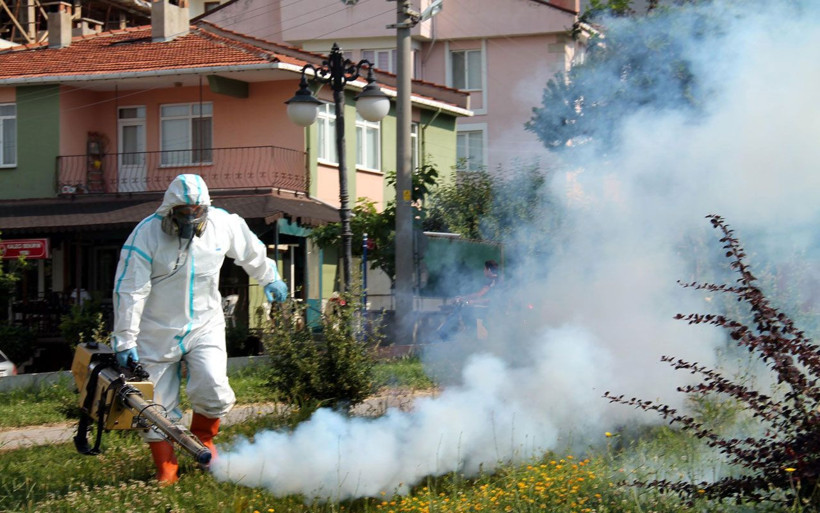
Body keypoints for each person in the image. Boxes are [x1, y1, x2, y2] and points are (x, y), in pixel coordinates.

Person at [110, 174, 288, 485]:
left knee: (214, 387)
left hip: (206, 324)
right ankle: (167, 470)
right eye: (184, 212)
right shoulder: (146, 235)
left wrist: (270, 276)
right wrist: (125, 338)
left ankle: (203, 440)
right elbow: (130, 289)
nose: (192, 218)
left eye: (197, 211)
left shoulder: (223, 224)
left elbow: (250, 250)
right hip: (157, 330)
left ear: (206, 208)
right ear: (170, 211)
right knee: (155, 406)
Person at [435, 260, 500, 341]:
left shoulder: (495, 281)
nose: (483, 271)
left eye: (484, 269)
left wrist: (472, 302)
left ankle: (447, 334)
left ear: (489, 270)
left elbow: (491, 299)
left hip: (493, 310)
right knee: (465, 309)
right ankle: (462, 335)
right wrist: (462, 298)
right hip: (488, 309)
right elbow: (478, 294)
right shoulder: (492, 281)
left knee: (465, 310)